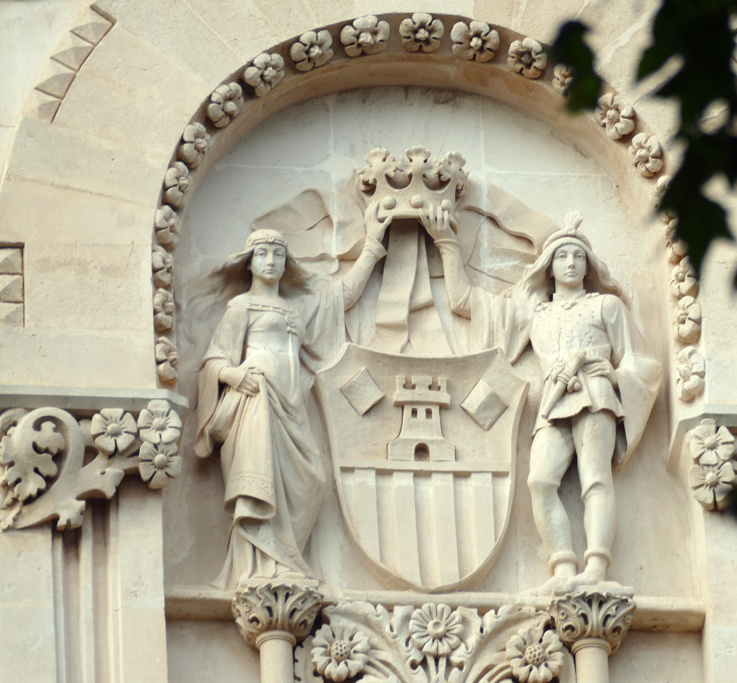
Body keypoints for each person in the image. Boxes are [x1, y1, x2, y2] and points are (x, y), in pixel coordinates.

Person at [420, 205, 661, 593]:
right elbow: (466, 303)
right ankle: (563, 567)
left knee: (595, 478)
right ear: (548, 266)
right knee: (540, 481)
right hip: (553, 399)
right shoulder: (535, 314)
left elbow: (640, 362)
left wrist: (615, 376)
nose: (571, 263)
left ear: (589, 265)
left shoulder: (605, 305)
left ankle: (596, 566)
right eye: (563, 256)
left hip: (596, 395)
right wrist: (447, 243)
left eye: (579, 256)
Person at [195, 205, 390, 589]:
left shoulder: (296, 309)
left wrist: (372, 243)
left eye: (279, 254)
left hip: (292, 405)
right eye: (263, 254)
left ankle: (284, 559)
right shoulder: (241, 306)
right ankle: (256, 569)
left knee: (312, 481)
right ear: (249, 264)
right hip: (257, 402)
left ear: (287, 263)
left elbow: (343, 295)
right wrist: (234, 375)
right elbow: (213, 358)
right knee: (259, 479)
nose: (271, 261)